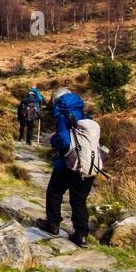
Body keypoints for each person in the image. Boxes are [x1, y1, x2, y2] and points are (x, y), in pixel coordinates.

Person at [42, 87, 97, 246]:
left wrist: (54, 141)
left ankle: (52, 224)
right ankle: (81, 235)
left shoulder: (62, 115)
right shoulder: (86, 115)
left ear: (57, 101)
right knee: (79, 200)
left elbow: (65, 142)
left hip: (68, 163)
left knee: (54, 192)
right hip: (88, 165)